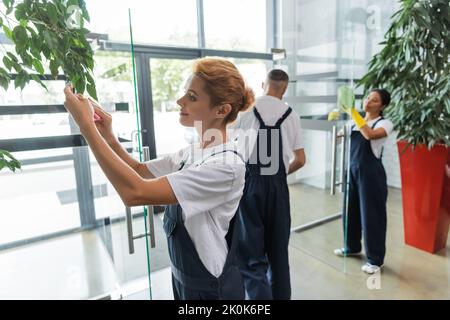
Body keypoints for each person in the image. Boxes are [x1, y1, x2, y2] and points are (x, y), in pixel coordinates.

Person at [63, 57, 255, 300]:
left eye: (192, 97)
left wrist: (86, 128)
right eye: (185, 93)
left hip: (210, 289)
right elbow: (140, 170)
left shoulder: (227, 166)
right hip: (184, 277)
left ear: (222, 110)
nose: (180, 101)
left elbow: (135, 193)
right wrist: (108, 136)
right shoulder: (195, 151)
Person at [232, 69, 306, 300]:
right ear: (284, 89)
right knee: (279, 255)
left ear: (264, 84)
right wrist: (280, 173)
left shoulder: (246, 112)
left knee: (252, 257)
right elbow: (300, 160)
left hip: (250, 185)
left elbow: (235, 154)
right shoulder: (291, 114)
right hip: (278, 187)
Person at [334, 88, 393, 275]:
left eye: (374, 100)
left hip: (371, 174)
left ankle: (375, 260)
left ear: (382, 105)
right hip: (352, 170)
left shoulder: (384, 123)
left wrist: (352, 112)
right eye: (368, 97)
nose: (368, 101)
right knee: (349, 210)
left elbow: (370, 135)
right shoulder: (355, 122)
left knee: (372, 215)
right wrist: (337, 120)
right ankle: (351, 246)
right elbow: (340, 140)